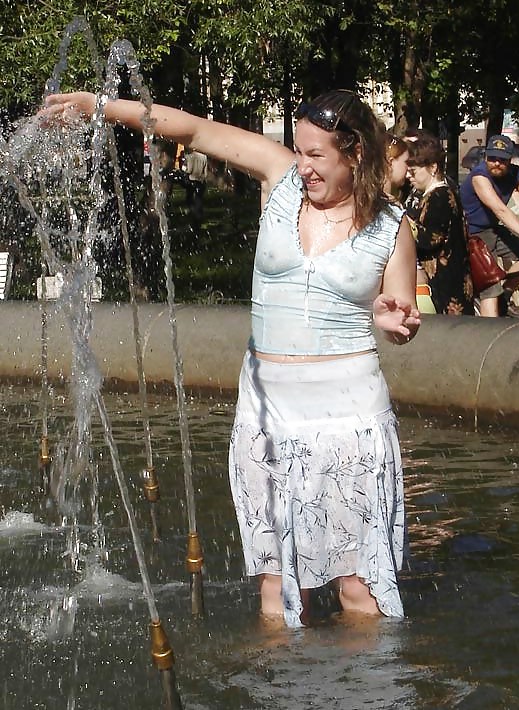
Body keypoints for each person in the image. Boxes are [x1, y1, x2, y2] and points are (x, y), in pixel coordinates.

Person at [42, 89, 421, 628]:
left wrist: (392, 323)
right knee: (276, 582)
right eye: (301, 150)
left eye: (317, 155)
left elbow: (398, 316)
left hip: (348, 418)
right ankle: (285, 688)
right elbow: (192, 129)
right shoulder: (279, 174)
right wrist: (99, 106)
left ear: (355, 153)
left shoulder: (391, 227)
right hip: (266, 414)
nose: (304, 165)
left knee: (357, 585)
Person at [460, 134, 519, 317]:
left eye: (502, 160)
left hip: (494, 229)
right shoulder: (479, 176)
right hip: (473, 234)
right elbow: (500, 210)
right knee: (490, 288)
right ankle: (490, 335)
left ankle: (505, 296)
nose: (496, 163)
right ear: (486, 156)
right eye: (492, 158)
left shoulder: (515, 173)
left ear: (510, 160)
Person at [405, 135, 474, 315]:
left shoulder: (439, 196)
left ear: (433, 167)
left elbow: (429, 240)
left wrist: (405, 226)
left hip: (445, 285)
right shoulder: (437, 193)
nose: (408, 176)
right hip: (450, 280)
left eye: (413, 172)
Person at [384, 133, 436, 314]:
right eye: (405, 163)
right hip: (402, 301)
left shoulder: (393, 202)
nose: (408, 171)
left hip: (417, 294)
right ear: (390, 162)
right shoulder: (381, 208)